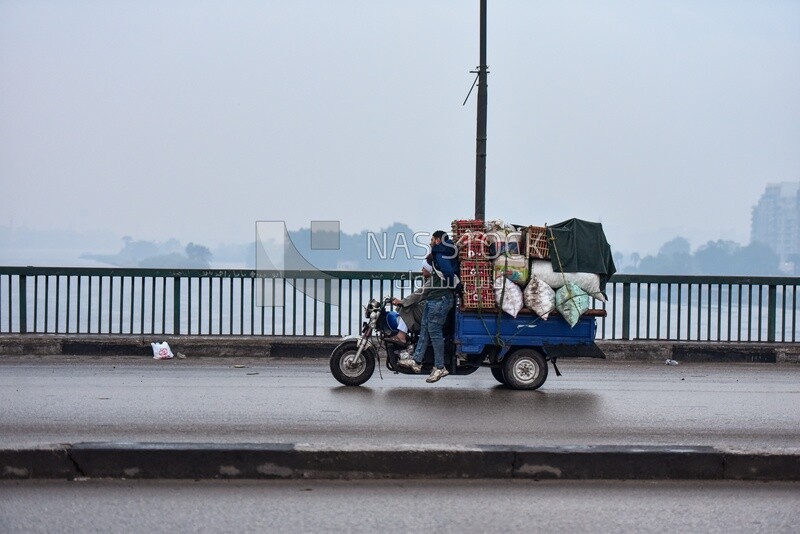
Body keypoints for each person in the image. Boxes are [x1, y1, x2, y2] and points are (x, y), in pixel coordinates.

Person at [397, 230, 458, 383]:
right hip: (434, 299)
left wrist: (450, 284)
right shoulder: (444, 252)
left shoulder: (440, 254)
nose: (430, 242)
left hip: (440, 299)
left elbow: (448, 271)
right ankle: (417, 361)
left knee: (434, 332)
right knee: (424, 328)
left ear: (437, 240)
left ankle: (440, 367)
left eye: (432, 239)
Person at [385, 261, 432, 346]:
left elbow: (418, 294)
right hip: (429, 309)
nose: (422, 270)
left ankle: (401, 336)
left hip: (429, 312)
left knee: (405, 307)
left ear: (429, 270)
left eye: (424, 268)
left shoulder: (431, 282)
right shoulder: (431, 280)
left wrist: (402, 302)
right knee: (407, 305)